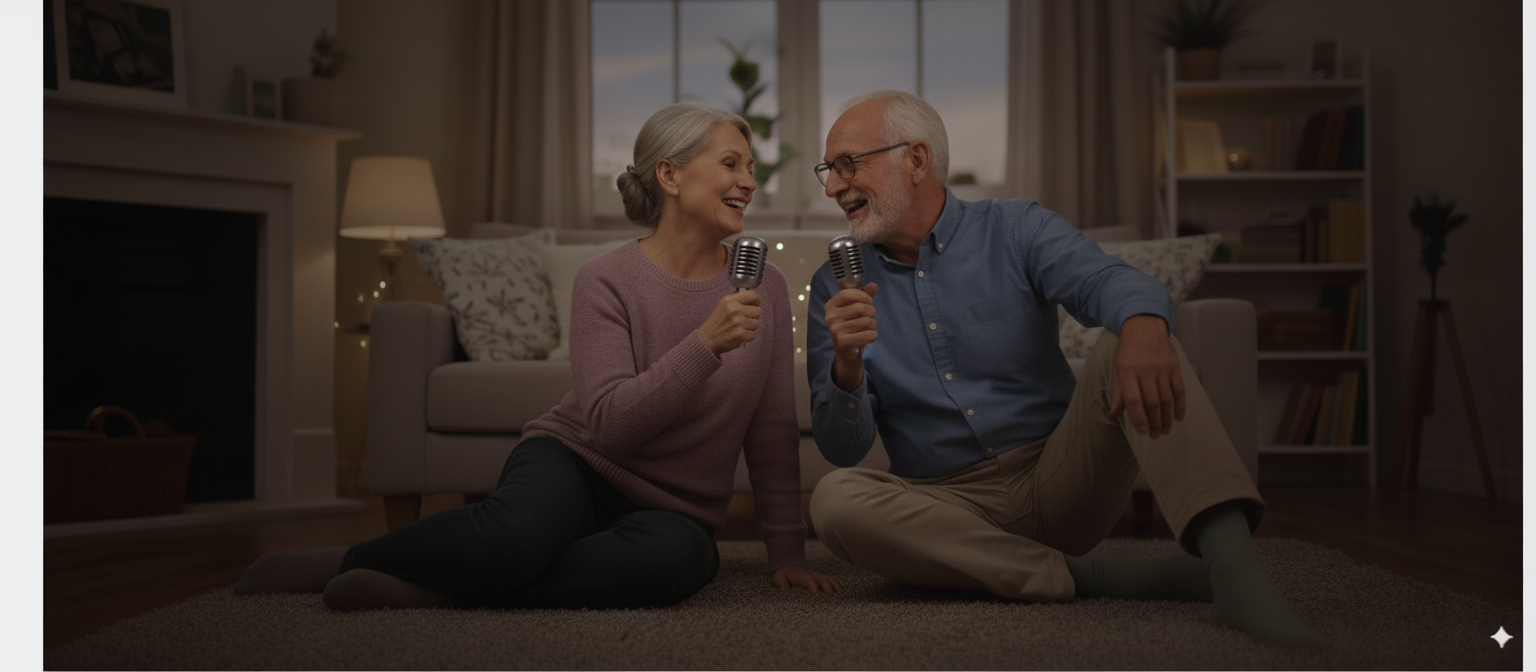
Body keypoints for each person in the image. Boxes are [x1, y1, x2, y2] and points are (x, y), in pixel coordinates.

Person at [235, 102, 842, 610]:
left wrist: (786, 554)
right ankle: (346, 561)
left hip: (675, 509)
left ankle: (439, 592)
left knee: (681, 564)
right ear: (670, 175)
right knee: (514, 538)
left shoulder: (762, 286)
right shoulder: (606, 278)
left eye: (750, 167)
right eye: (730, 164)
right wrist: (705, 344)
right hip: (578, 461)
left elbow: (770, 430)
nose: (749, 181)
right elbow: (610, 425)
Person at [804, 90, 1323, 648]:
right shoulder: (835, 287)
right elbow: (843, 449)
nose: (834, 187)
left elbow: (1110, 282)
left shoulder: (1016, 228)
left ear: (916, 160)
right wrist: (849, 365)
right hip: (944, 507)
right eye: (828, 171)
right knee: (834, 499)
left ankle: (1238, 574)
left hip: (1059, 478)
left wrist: (1145, 327)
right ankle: (1099, 578)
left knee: (1132, 336)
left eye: (848, 165)